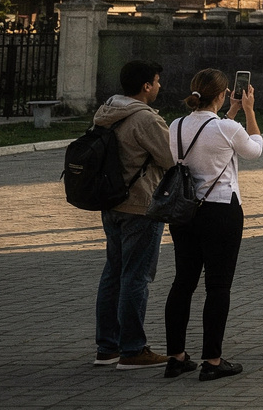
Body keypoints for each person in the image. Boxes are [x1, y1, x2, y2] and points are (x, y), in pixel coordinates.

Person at [162, 69, 263, 381]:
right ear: (221, 95)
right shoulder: (228, 128)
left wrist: (230, 111)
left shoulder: (176, 125)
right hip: (220, 210)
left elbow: (208, 135)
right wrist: (248, 110)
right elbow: (254, 149)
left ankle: (176, 356)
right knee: (218, 285)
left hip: (185, 211)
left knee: (183, 282)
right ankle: (213, 360)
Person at [92, 60, 175, 370]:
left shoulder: (106, 113)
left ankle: (107, 347)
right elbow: (170, 159)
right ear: (145, 87)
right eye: (156, 81)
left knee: (113, 273)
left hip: (111, 203)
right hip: (140, 205)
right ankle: (133, 349)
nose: (159, 86)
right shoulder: (145, 119)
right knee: (136, 277)